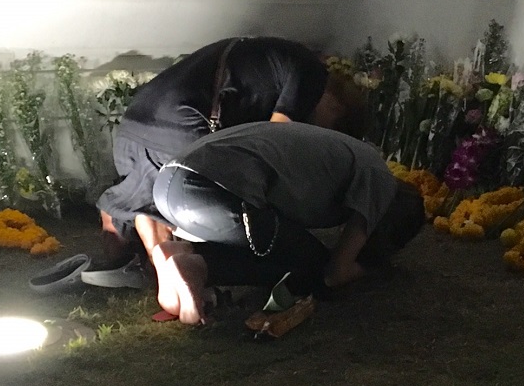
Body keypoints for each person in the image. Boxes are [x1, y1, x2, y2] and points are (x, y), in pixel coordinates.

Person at [84, 36, 368, 288]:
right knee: (187, 198)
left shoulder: (270, 58)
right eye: (331, 129)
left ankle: (130, 252)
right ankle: (172, 271)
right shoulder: (311, 74)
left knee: (148, 193)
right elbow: (276, 143)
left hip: (137, 117)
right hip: (182, 123)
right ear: (336, 106)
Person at [149, 121, 426, 325]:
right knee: (311, 264)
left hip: (170, 184)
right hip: (211, 190)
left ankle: (182, 253)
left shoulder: (356, 155)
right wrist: (370, 267)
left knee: (282, 238)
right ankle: (199, 267)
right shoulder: (379, 181)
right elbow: (335, 274)